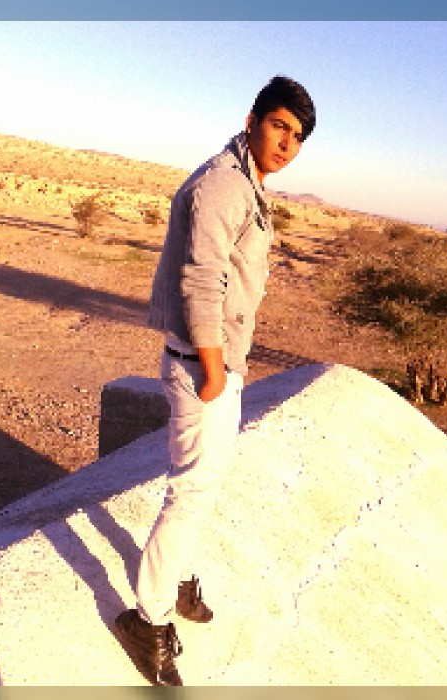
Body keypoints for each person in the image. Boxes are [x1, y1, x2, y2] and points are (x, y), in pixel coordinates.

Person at [114, 75, 316, 686]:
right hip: (202, 364)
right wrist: (211, 371)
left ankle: (176, 580)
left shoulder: (247, 183)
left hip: (219, 363)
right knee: (192, 491)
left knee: (206, 482)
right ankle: (147, 619)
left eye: (298, 137)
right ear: (252, 120)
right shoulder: (225, 185)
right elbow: (202, 280)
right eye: (279, 126)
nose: (287, 144)